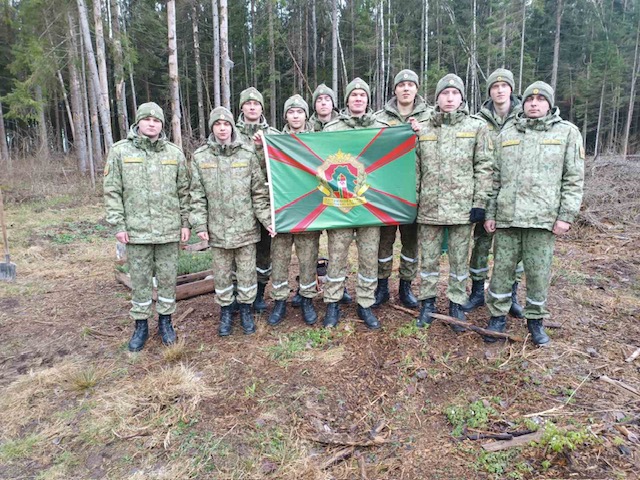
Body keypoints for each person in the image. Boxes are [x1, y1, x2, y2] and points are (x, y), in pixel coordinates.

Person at [484, 81, 584, 345]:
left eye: (540, 100)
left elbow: (573, 179)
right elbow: (495, 178)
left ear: (549, 104)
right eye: (530, 100)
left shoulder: (567, 133)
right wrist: (490, 213)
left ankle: (535, 320)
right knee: (502, 271)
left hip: (542, 219)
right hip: (507, 218)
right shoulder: (508, 134)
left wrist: (566, 216)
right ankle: (497, 317)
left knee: (538, 274)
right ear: (523, 103)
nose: (534, 104)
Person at [104, 102, 190, 352]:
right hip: (136, 231)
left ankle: (166, 322)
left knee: (167, 279)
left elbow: (184, 192)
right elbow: (112, 191)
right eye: (147, 119)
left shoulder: (174, 153)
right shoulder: (120, 151)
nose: (152, 124)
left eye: (156, 120)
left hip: (168, 230)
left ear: (162, 124)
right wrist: (118, 224)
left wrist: (185, 223)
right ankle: (140, 325)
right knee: (140, 280)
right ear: (138, 122)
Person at [411, 74, 492, 331]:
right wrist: (412, 202)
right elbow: (415, 169)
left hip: (462, 208)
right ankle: (427, 303)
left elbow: (484, 166)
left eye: (454, 93)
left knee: (458, 261)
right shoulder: (423, 128)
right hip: (429, 207)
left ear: (462, 97)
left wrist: (480, 202)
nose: (449, 98)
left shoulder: (476, 127)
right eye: (444, 93)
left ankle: (456, 303)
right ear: (437, 97)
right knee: (429, 261)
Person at [190, 107, 274, 337]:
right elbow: (196, 195)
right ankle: (226, 311)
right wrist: (200, 225)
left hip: (245, 229)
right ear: (212, 128)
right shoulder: (201, 157)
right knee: (223, 275)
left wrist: (267, 220)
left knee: (247, 274)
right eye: (217, 124)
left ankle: (246, 311)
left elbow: (258, 192)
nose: (222, 128)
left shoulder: (247, 155)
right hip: (217, 230)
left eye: (226, 124)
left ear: (232, 127)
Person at [464, 68, 524, 318]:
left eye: (504, 86)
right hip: (485, 188)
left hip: (514, 190)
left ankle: (511, 294)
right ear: (489, 91)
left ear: (511, 89)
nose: (500, 91)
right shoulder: (478, 121)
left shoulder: (524, 117)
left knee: (513, 247)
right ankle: (477, 291)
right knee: (481, 243)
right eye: (495, 87)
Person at [322, 78, 381, 330]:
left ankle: (365, 303)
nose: (358, 98)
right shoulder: (331, 129)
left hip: (369, 205)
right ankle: (332, 303)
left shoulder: (381, 127)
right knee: (336, 257)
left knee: (369, 257)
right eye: (353, 95)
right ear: (346, 100)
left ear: (367, 99)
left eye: (362, 95)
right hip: (340, 205)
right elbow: (318, 159)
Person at [373, 69, 432, 309]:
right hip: (386, 192)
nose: (406, 88)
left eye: (410, 85)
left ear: (416, 89)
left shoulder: (430, 117)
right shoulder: (378, 118)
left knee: (410, 242)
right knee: (384, 242)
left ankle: (406, 286)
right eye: (401, 85)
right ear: (395, 89)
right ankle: (382, 286)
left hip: (416, 191)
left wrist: (421, 132)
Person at [268, 95, 321, 326]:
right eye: (291, 112)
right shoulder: (275, 141)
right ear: (285, 116)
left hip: (308, 209)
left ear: (306, 115)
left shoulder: (316, 140)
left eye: (300, 112)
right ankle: (280, 301)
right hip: (283, 210)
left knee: (308, 258)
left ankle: (307, 298)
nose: (296, 116)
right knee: (279, 259)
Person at [236, 87, 280, 313]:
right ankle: (239, 294)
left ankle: (260, 293)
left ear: (262, 108)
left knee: (264, 249)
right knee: (240, 250)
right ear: (242, 107)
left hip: (266, 200)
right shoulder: (230, 132)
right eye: (248, 103)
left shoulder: (274, 134)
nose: (252, 107)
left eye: (256, 104)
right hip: (238, 202)